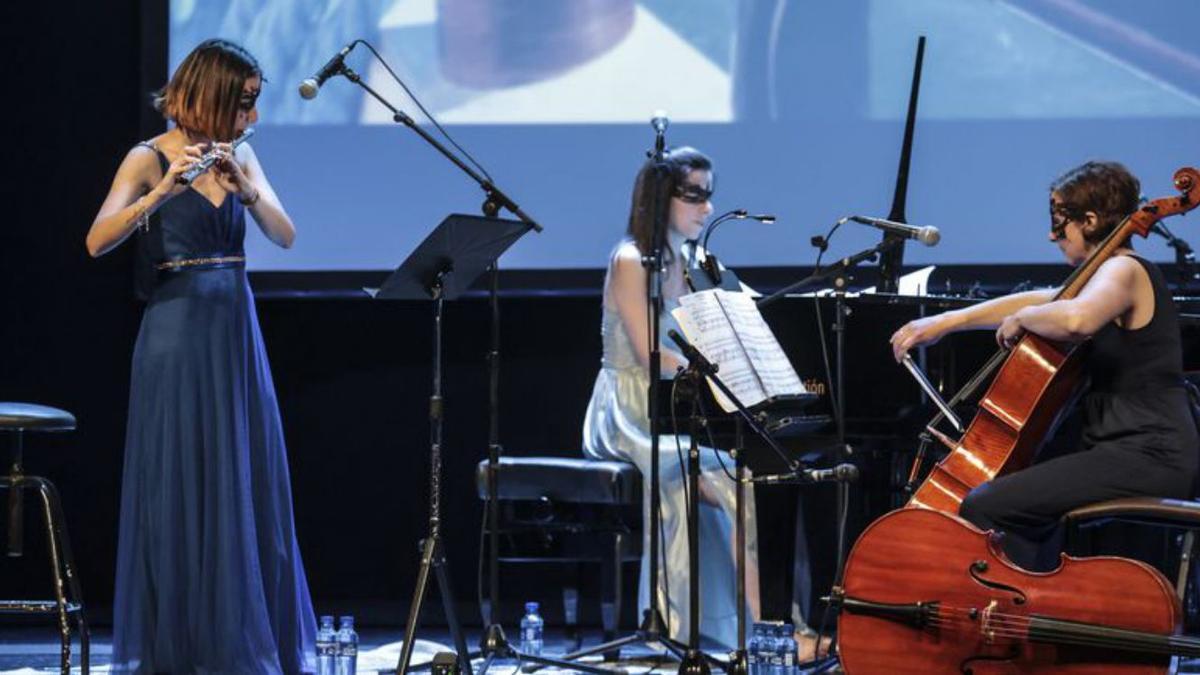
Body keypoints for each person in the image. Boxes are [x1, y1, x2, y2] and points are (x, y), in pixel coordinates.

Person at [86, 39, 316, 673]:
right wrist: (161, 194)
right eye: (244, 104)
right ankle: (184, 648)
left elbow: (285, 234)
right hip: (177, 334)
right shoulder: (145, 157)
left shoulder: (241, 156)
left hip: (236, 335)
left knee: (243, 478)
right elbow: (98, 241)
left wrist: (245, 189)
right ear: (212, 96)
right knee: (181, 481)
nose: (252, 118)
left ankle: (242, 640)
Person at [891, 160, 1199, 571]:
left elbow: (1075, 319)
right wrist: (946, 322)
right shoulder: (1103, 275)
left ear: (1089, 220)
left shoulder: (1124, 269)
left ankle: (1019, 620)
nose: (1052, 235)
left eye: (1060, 221)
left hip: (1150, 453)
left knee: (989, 504)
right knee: (1022, 505)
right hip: (1126, 449)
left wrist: (1022, 322)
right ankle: (1039, 606)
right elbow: (1046, 299)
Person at [582, 146, 822, 656]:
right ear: (659, 197)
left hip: (682, 407)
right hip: (630, 412)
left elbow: (755, 311)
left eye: (709, 195)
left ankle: (767, 627)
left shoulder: (697, 259)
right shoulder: (631, 260)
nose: (707, 208)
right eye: (695, 195)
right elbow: (653, 355)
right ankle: (771, 635)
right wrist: (713, 371)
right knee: (731, 477)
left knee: (762, 472)